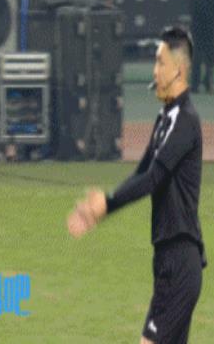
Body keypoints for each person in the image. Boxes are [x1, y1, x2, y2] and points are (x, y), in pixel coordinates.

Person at [67, 27, 206, 344]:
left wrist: (106, 203)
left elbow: (154, 178)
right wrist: (102, 209)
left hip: (180, 261)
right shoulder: (165, 118)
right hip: (167, 260)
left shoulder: (185, 120)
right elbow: (141, 173)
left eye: (160, 62)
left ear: (178, 70)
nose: (154, 71)